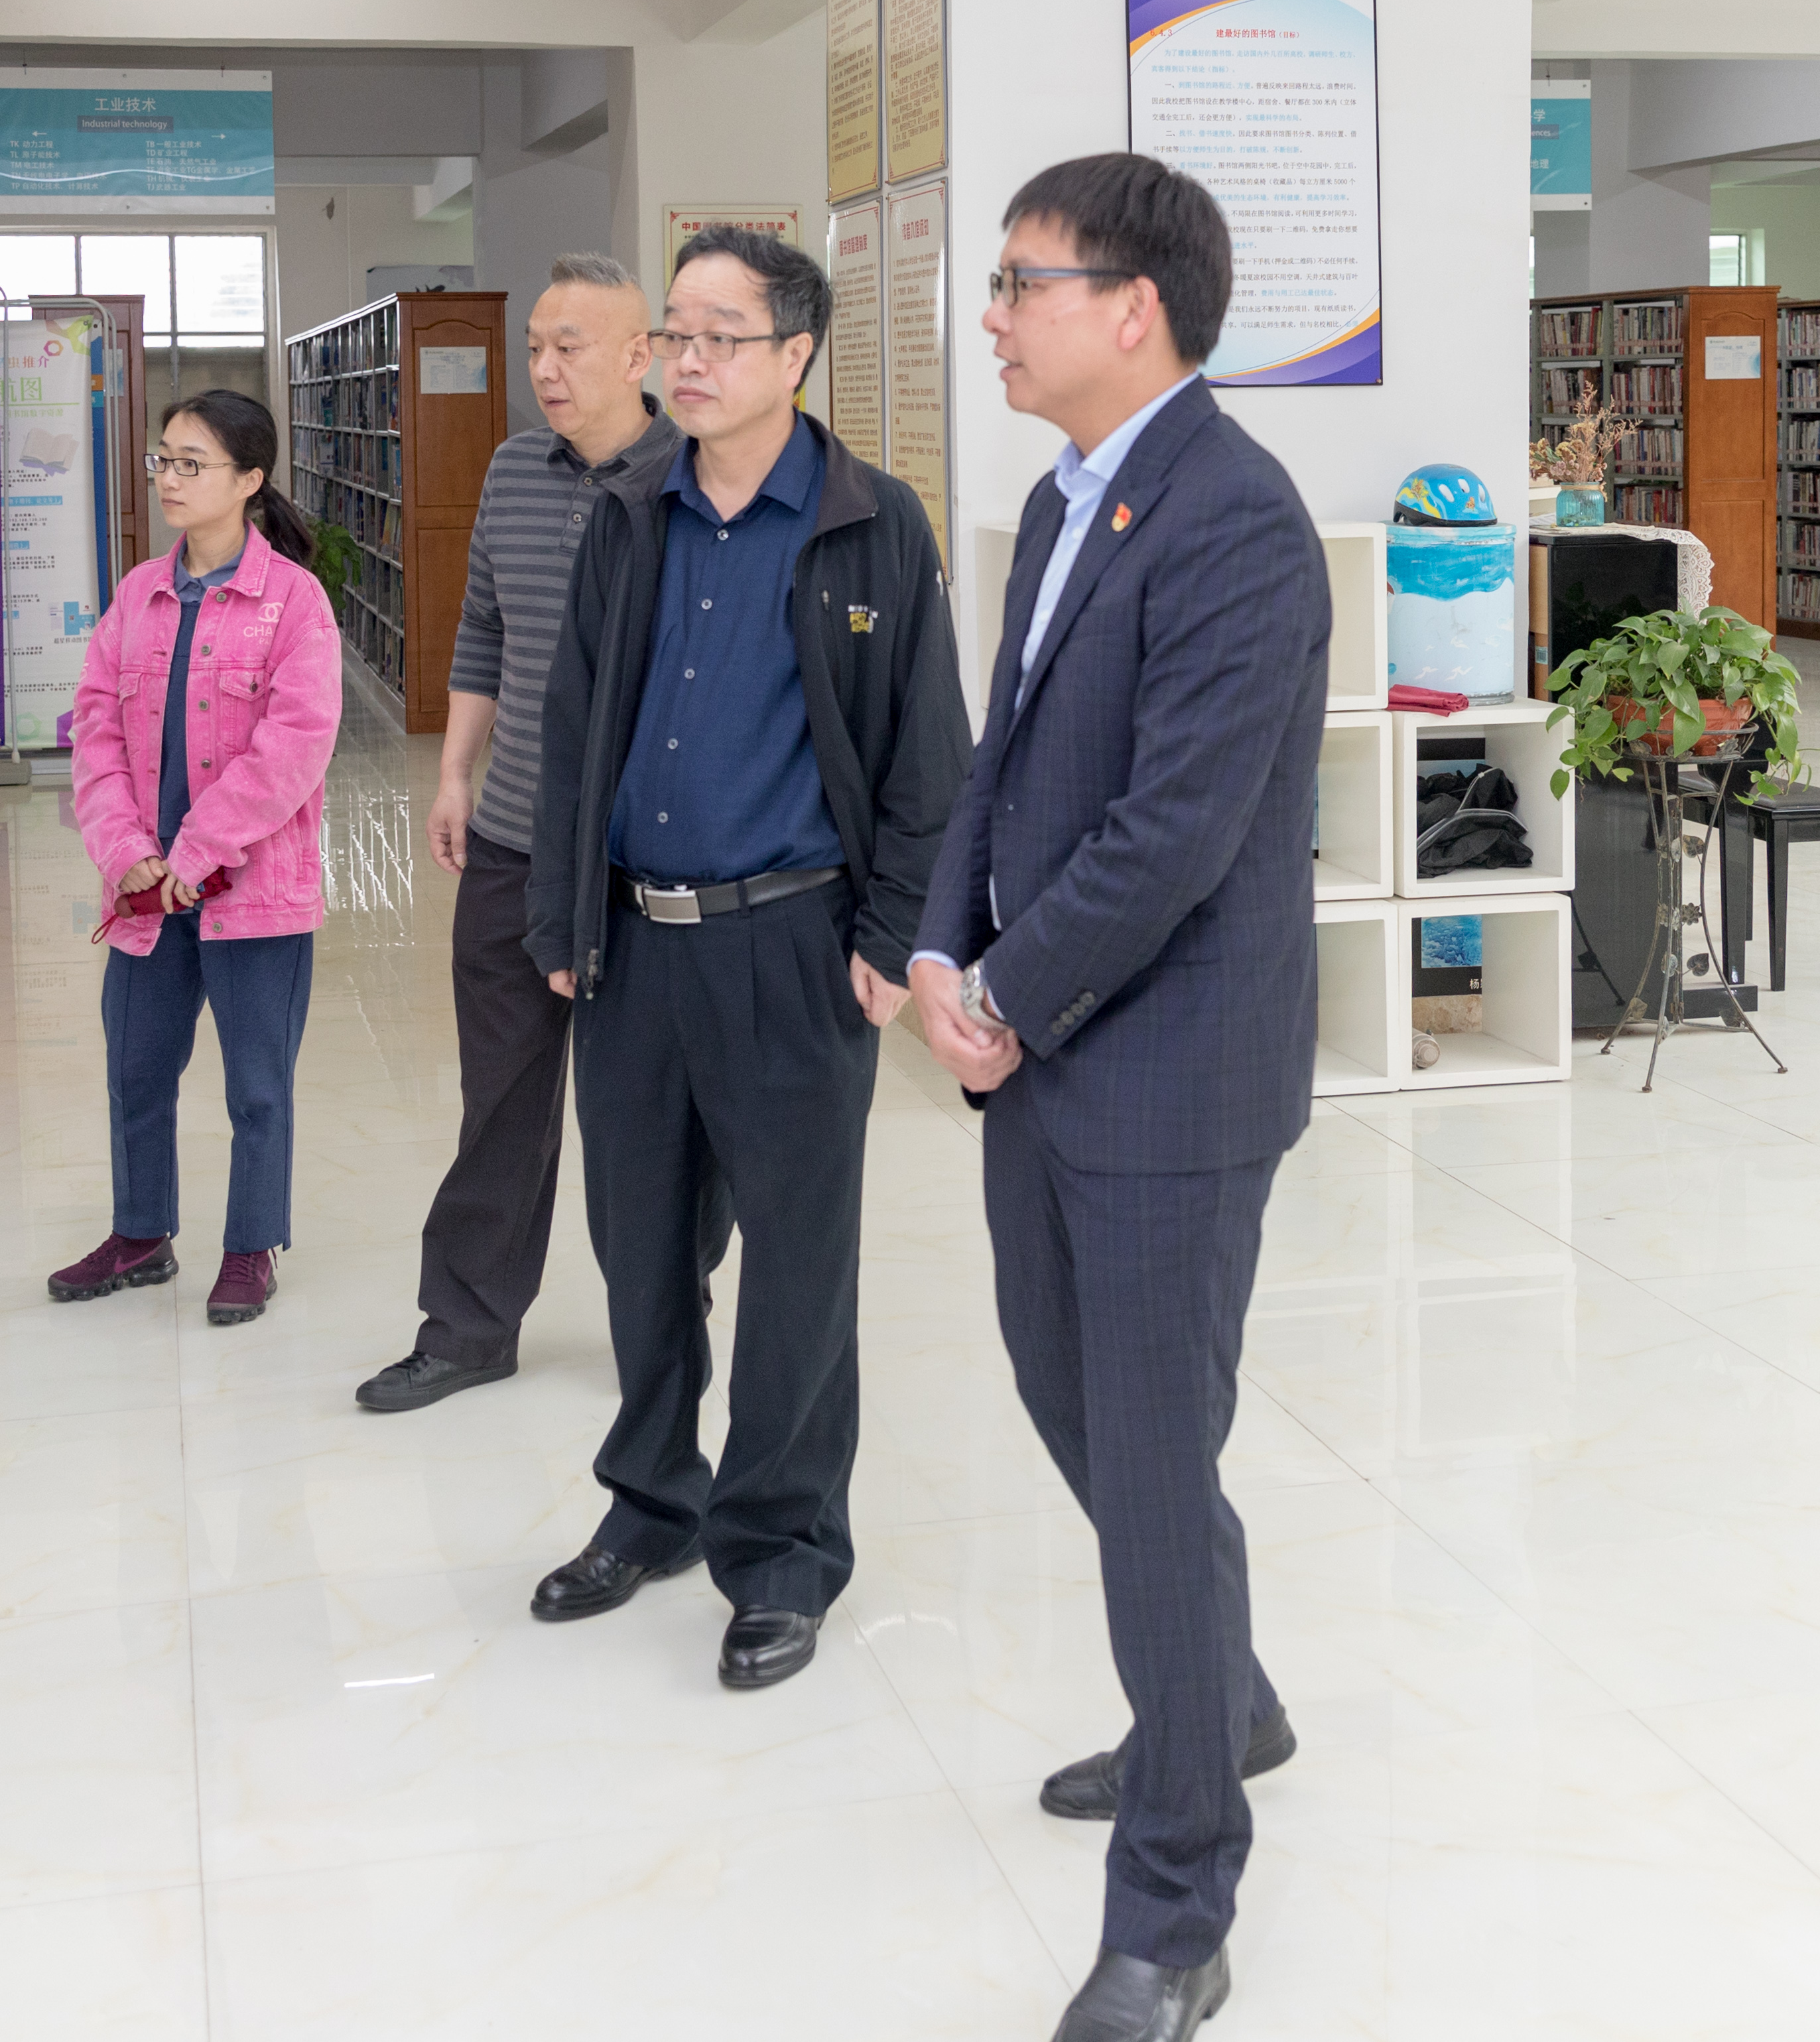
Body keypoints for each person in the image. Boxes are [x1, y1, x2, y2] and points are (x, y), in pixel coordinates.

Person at [908, 154, 1327, 2042]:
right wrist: (942, 943)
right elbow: (998, 766)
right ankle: (1217, 1694)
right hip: (1047, 1049)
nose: (992, 314)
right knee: (1065, 1393)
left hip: (1168, 1068)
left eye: (1021, 281)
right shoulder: (1066, 497)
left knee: (1151, 1466)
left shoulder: (1236, 519)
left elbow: (1174, 832)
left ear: (1130, 307)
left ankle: (1173, 1901)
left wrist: (1003, 990)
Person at [521, 225, 965, 1690]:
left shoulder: (871, 523)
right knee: (640, 1249)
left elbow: (926, 754)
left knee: (795, 1269)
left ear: (795, 355)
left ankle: (779, 1551)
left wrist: (892, 937)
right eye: (676, 333)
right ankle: (651, 1501)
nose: (688, 360)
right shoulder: (628, 511)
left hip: (793, 946)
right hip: (635, 950)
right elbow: (575, 719)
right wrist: (562, 918)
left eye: (722, 336)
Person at [356, 252, 724, 1413]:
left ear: (640, 355)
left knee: (651, 1109)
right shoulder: (513, 470)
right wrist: (453, 774)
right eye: (534, 348)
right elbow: (484, 629)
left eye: (571, 347)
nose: (546, 369)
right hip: (514, 841)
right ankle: (468, 1325)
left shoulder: (693, 479)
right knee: (501, 1098)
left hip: (638, 857)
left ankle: (665, 1315)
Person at [48, 390, 342, 1328]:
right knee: (135, 1069)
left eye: (191, 463)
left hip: (250, 888)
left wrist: (199, 847)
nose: (169, 479)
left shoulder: (292, 602)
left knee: (257, 1083)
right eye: (162, 460)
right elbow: (93, 730)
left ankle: (252, 1245)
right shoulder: (138, 594)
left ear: (249, 480)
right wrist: (124, 848)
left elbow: (296, 745)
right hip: (146, 890)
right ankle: (141, 1234)